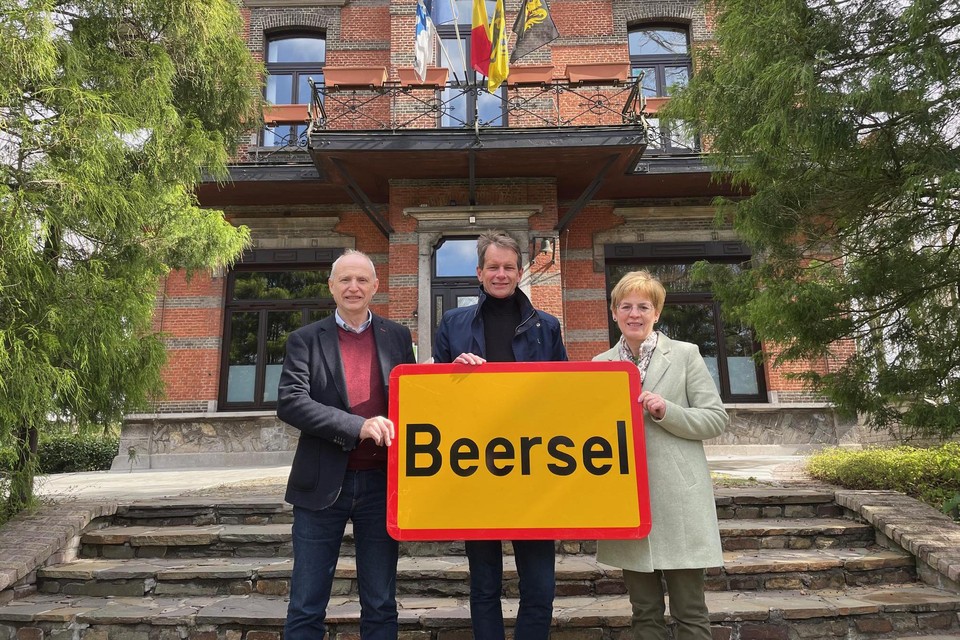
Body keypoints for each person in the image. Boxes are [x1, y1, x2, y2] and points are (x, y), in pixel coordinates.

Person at [433, 230, 568, 640]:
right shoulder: (453, 324)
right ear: (479, 272)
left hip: (535, 469)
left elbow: (564, 396)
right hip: (475, 470)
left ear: (521, 271)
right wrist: (452, 372)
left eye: (509, 267)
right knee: (485, 585)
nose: (501, 274)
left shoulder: (548, 326)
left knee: (540, 585)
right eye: (493, 267)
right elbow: (434, 399)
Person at [277, 249, 416, 640]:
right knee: (306, 604)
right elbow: (291, 402)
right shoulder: (304, 339)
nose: (353, 287)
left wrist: (453, 376)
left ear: (375, 286)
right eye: (344, 280)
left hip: (380, 487)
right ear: (331, 287)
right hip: (321, 486)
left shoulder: (398, 336)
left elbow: (412, 397)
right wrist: (357, 426)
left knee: (381, 604)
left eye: (361, 280)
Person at [593, 269, 728, 640]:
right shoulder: (599, 365)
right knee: (644, 614)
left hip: (680, 501)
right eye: (626, 306)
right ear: (614, 312)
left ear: (657, 313)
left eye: (643, 306)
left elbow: (716, 419)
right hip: (628, 502)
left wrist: (666, 410)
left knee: (691, 612)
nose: (634, 314)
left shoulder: (685, 355)